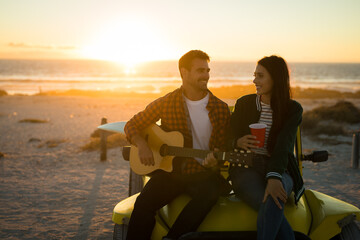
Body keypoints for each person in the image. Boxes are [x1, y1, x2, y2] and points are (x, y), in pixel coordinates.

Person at [124, 50, 231, 240]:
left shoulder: (221, 109)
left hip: (202, 174)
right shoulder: (167, 102)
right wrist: (142, 144)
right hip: (171, 173)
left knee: (211, 193)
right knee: (143, 204)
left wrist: (215, 162)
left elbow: (223, 149)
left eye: (207, 70)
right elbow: (132, 125)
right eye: (200, 70)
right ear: (184, 72)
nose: (206, 75)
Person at [229, 55, 304, 240]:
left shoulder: (292, 109)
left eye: (260, 76)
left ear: (276, 78)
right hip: (246, 166)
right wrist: (237, 142)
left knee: (274, 198)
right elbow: (228, 135)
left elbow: (284, 145)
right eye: (255, 75)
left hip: (281, 167)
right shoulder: (244, 104)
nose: (254, 80)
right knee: (270, 204)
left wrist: (274, 176)